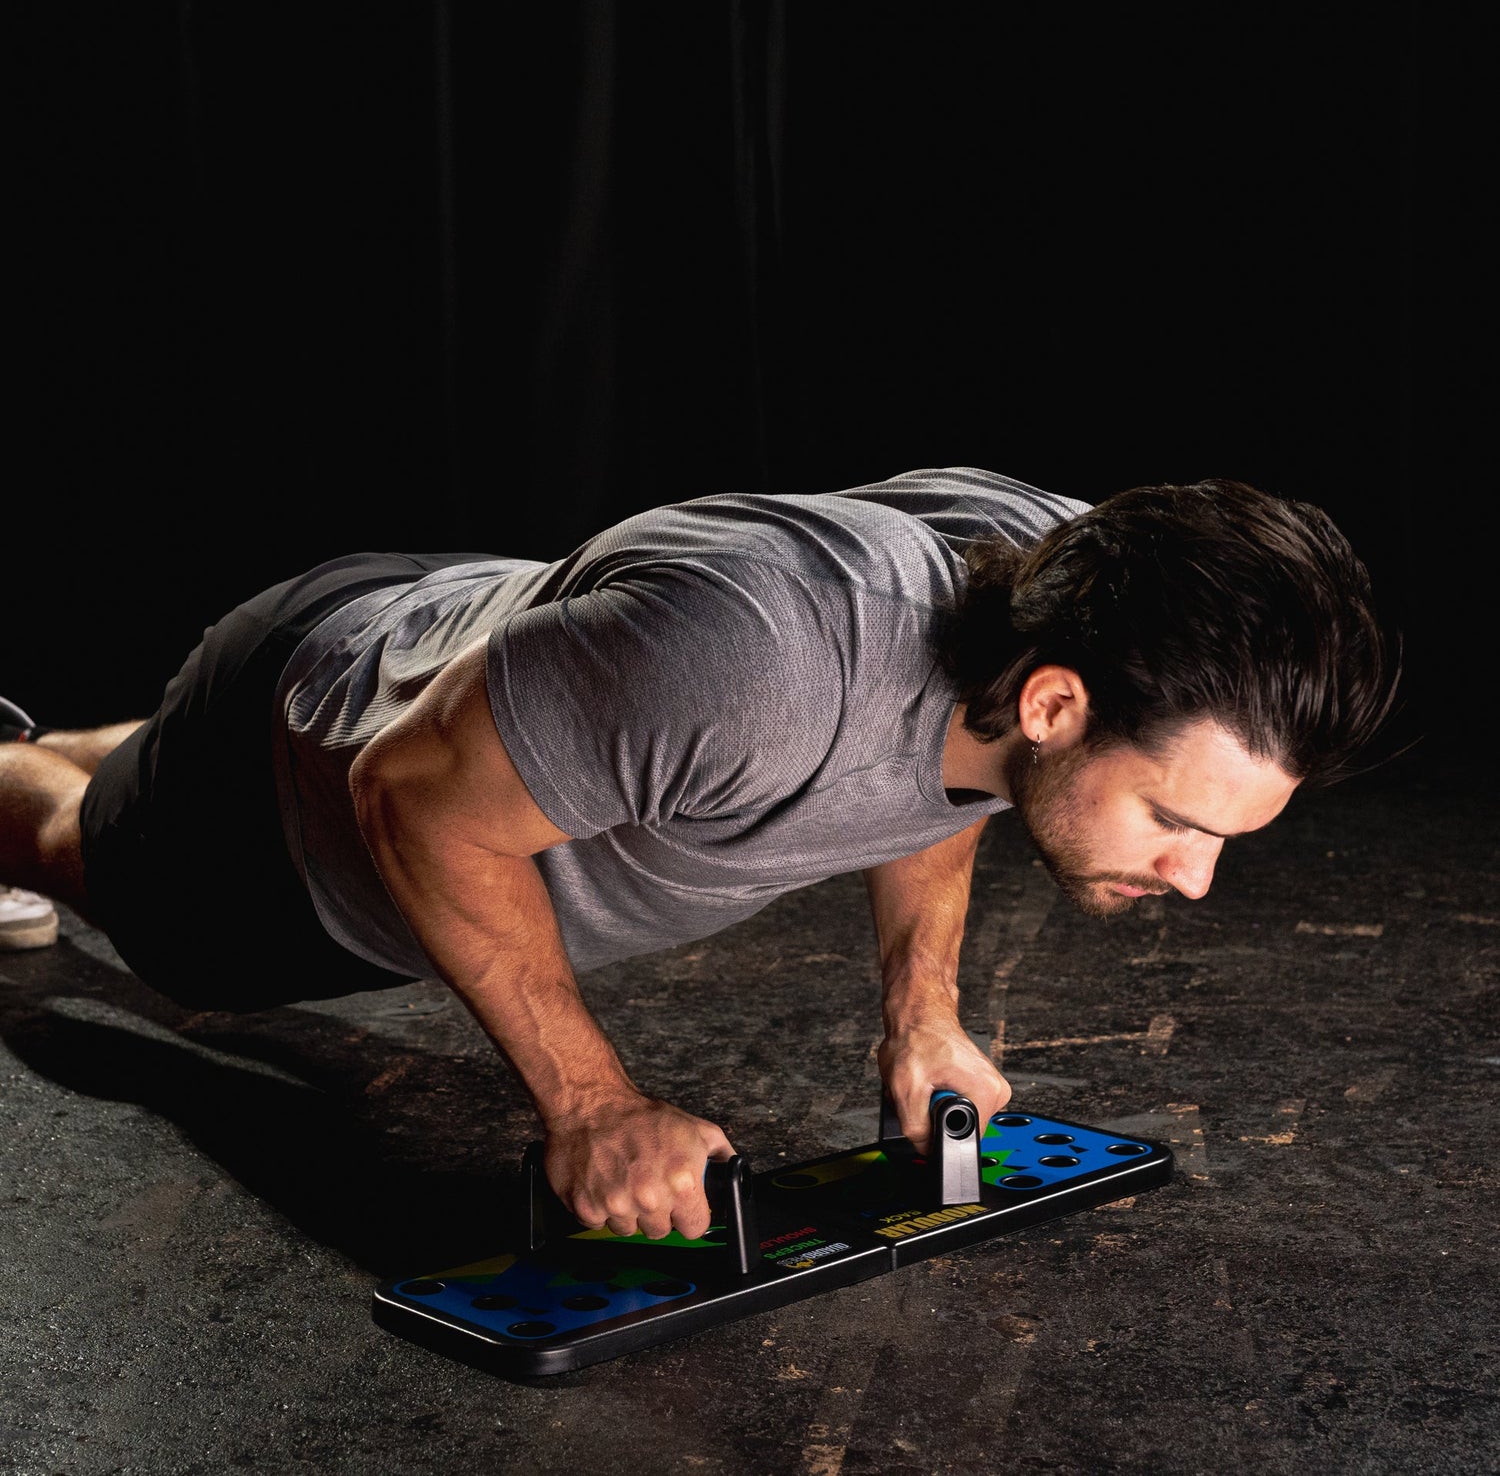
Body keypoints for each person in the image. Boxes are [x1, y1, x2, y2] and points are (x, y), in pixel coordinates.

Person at [0, 468, 1396, 1241]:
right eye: (1177, 821)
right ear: (1056, 708)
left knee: (139, 769)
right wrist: (592, 1108)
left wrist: (923, 1013)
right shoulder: (763, 669)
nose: (1193, 878)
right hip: (298, 799)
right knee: (83, 854)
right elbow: (411, 800)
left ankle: (109, 750)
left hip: (447, 660)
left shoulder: (1054, 581)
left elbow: (938, 778)